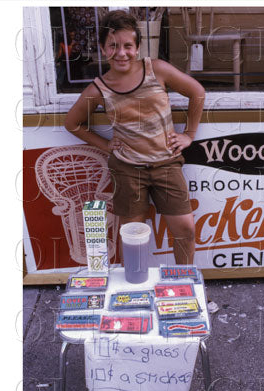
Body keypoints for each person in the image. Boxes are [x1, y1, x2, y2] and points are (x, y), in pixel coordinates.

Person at [65, 10, 205, 266]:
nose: (121, 53)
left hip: (166, 164)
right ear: (102, 48)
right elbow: (72, 123)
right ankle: (136, 288)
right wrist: (106, 145)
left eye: (128, 45)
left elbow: (197, 92)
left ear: (138, 46)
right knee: (133, 236)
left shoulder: (157, 69)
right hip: (128, 170)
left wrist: (189, 134)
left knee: (185, 229)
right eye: (113, 46)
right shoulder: (99, 88)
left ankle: (184, 285)